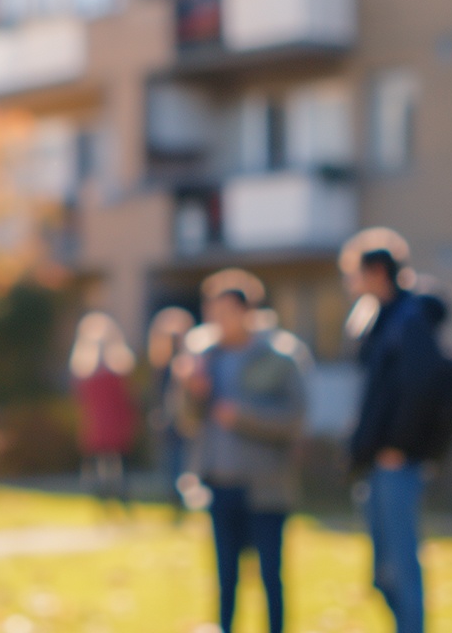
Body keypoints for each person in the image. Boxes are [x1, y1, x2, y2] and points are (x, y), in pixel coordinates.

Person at [178, 270, 309, 633]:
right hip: (219, 482)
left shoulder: (280, 358)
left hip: (266, 487)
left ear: (246, 312)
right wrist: (192, 391)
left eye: (225, 312)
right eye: (212, 312)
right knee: (225, 579)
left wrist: (242, 417)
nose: (217, 321)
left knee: (270, 576)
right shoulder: (205, 358)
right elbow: (188, 421)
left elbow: (294, 421)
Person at [342, 229, 452, 633]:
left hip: (395, 460)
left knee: (401, 566)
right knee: (382, 573)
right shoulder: (380, 318)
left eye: (354, 274)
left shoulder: (410, 320)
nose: (350, 284)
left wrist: (399, 446)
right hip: (375, 460)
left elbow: (421, 388)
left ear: (376, 272)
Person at [71, 311, 137, 511]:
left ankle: (113, 501)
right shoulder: (98, 369)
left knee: (111, 467)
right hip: (104, 424)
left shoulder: (93, 369)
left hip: (105, 424)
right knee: (108, 468)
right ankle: (110, 502)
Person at [147, 305, 197, 515]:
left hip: (186, 418)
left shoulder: (189, 359)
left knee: (184, 460)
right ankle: (176, 498)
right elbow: (158, 391)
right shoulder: (162, 362)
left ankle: (183, 496)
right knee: (173, 461)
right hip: (171, 420)